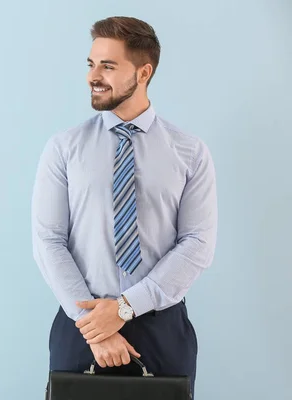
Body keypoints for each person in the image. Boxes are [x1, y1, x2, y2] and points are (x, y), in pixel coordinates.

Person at [31, 16, 217, 399]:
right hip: (81, 324)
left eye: (108, 66)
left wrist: (126, 308)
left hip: (161, 327)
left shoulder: (190, 152)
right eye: (91, 64)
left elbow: (198, 243)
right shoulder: (64, 149)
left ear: (143, 72)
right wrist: (95, 325)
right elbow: (48, 240)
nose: (93, 76)